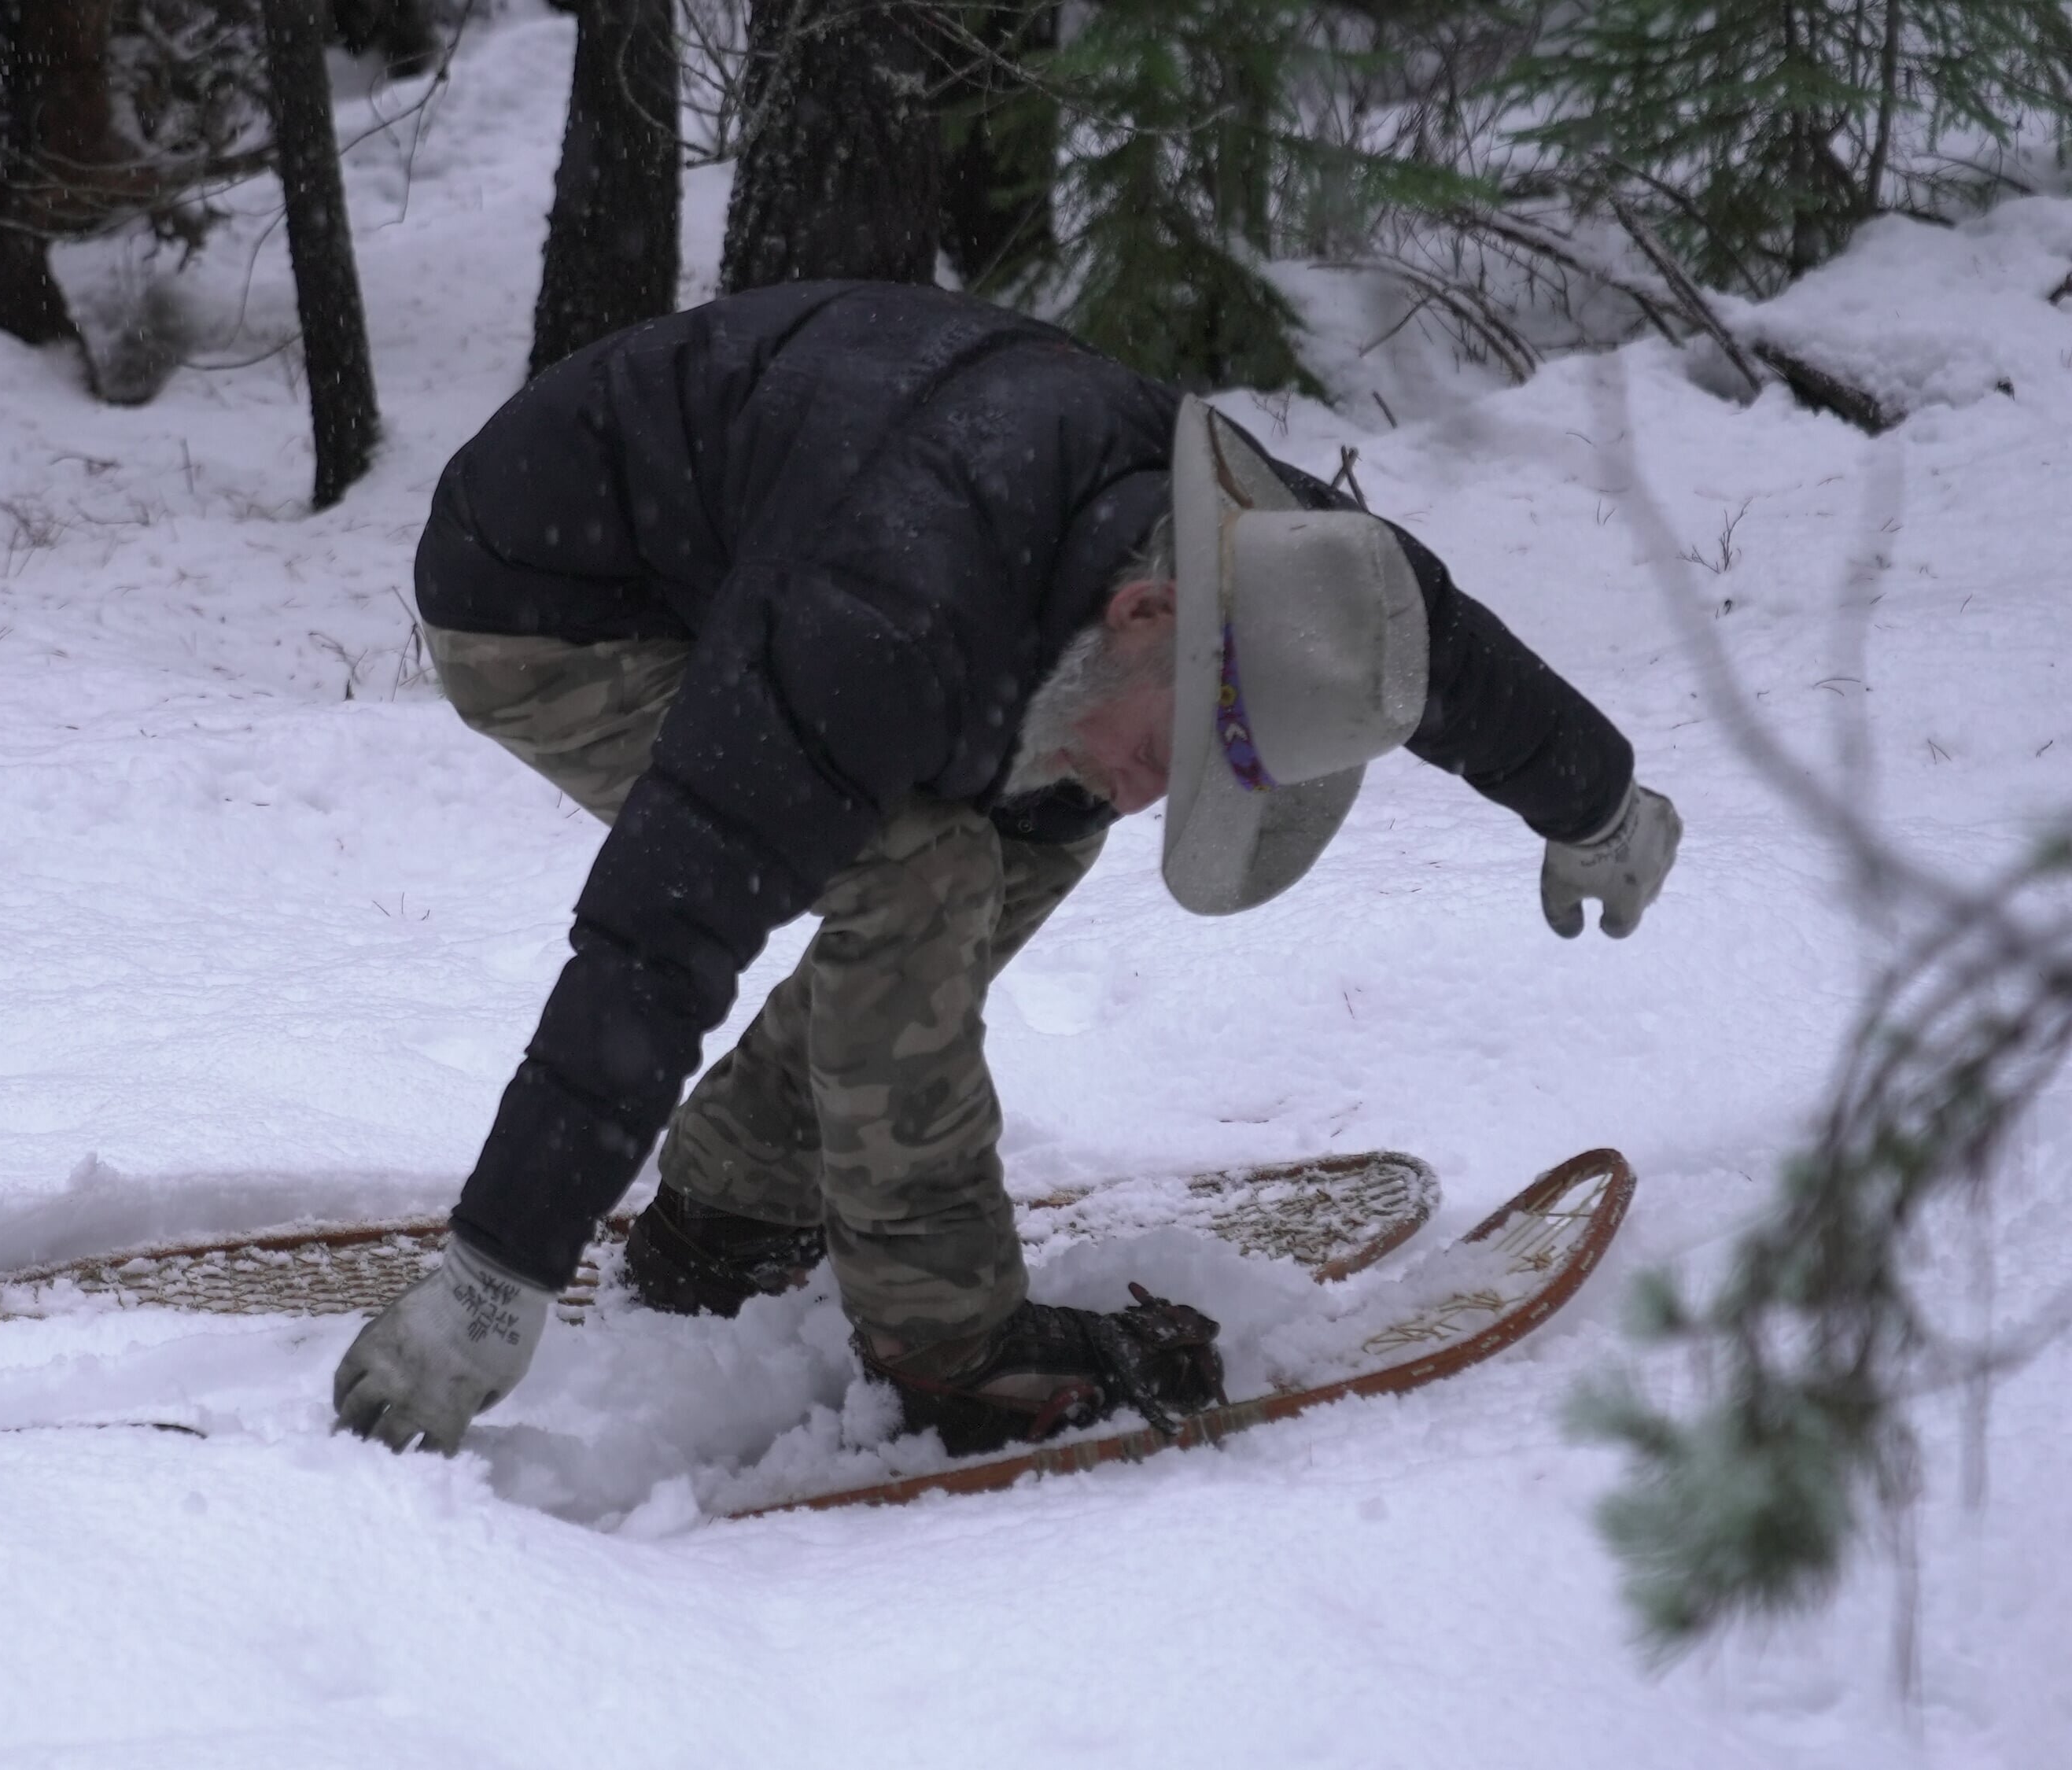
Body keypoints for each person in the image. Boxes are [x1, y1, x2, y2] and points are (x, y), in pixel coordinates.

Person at [330, 282, 1683, 1458]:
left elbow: (1412, 625)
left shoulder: (1235, 540)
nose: (1165, 799)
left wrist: (1598, 797)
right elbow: (657, 935)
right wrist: (496, 1274)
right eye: (1176, 753)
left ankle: (734, 1203)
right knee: (916, 869)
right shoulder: (882, 614)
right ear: (1144, 613)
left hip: (788, 535)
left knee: (1039, 822)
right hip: (553, 596)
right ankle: (944, 1346)